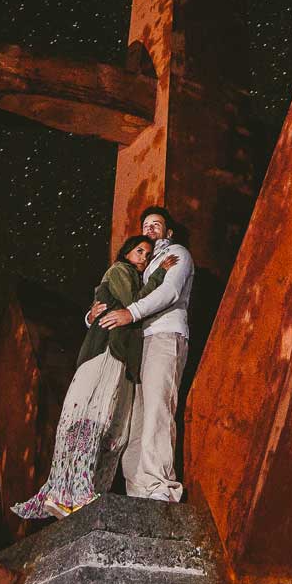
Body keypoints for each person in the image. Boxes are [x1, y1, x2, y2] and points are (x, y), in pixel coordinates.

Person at [9, 235, 177, 520]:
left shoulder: (132, 276)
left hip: (121, 358)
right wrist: (161, 272)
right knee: (93, 415)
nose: (144, 258)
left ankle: (83, 493)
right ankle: (68, 492)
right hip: (106, 353)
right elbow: (133, 303)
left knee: (111, 426)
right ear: (125, 253)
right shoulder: (119, 271)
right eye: (139, 251)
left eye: (148, 255)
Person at [110, 206, 194, 502]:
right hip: (138, 345)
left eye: (157, 224)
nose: (150, 228)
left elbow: (169, 292)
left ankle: (161, 487)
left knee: (158, 408)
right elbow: (116, 297)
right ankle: (138, 492)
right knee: (136, 421)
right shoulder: (140, 268)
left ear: (168, 233)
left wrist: (130, 313)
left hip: (164, 336)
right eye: (146, 224)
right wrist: (94, 314)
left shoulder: (178, 254)